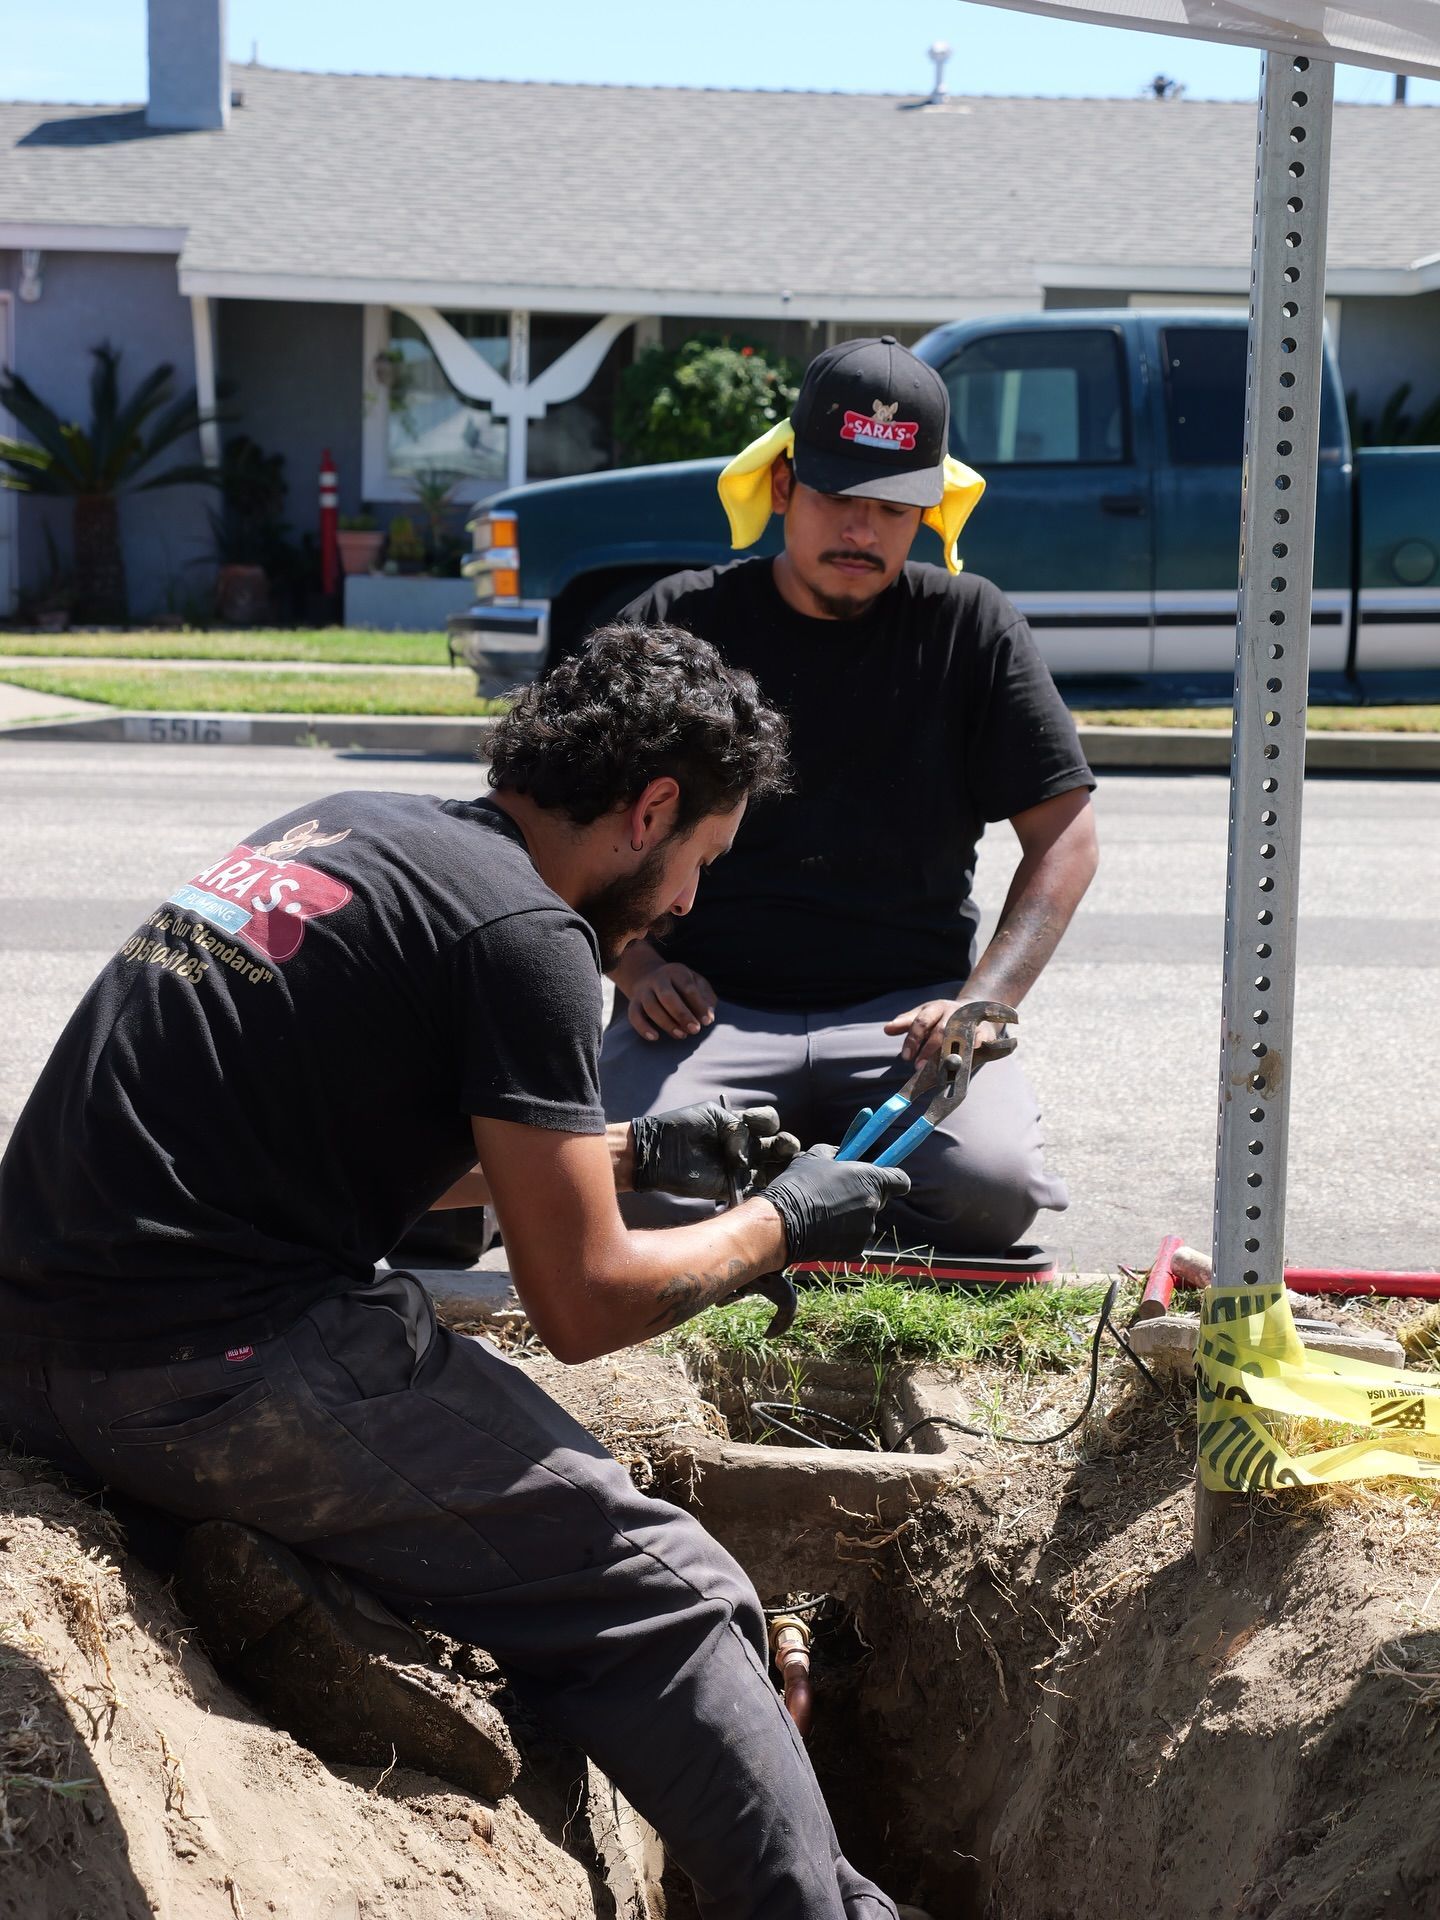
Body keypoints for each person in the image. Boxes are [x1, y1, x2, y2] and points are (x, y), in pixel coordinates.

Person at [0, 625, 918, 1920]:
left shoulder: (354, 832)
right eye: (700, 861)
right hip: (198, 1370)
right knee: (678, 1595)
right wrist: (784, 1220)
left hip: (44, 1341)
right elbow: (585, 1301)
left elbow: (355, 1144)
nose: (688, 906)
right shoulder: (528, 935)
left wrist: (645, 1144)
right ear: (650, 809)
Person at [604, 335, 1099, 1258]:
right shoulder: (682, 620)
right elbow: (567, 816)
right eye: (838, 497)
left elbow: (1066, 838)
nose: (862, 531)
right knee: (622, 1196)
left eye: (893, 506)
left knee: (992, 1198)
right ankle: (801, 1199)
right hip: (703, 1006)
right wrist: (631, 965)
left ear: (932, 507)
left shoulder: (972, 626)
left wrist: (981, 1005)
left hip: (905, 1018)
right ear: (786, 484)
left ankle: (777, 1203)